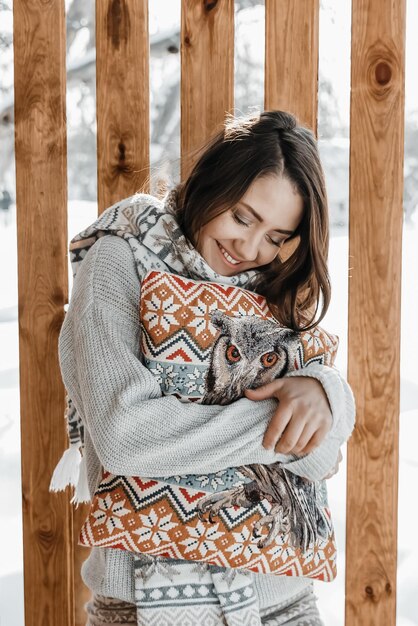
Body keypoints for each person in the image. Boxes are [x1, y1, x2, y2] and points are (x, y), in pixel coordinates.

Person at [58, 110, 355, 625]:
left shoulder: (274, 285)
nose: (249, 248)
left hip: (281, 602)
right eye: (242, 216)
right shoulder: (121, 258)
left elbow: (321, 457)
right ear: (212, 180)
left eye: (276, 235)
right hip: (141, 608)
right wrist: (281, 421)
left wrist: (327, 393)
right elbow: (125, 436)